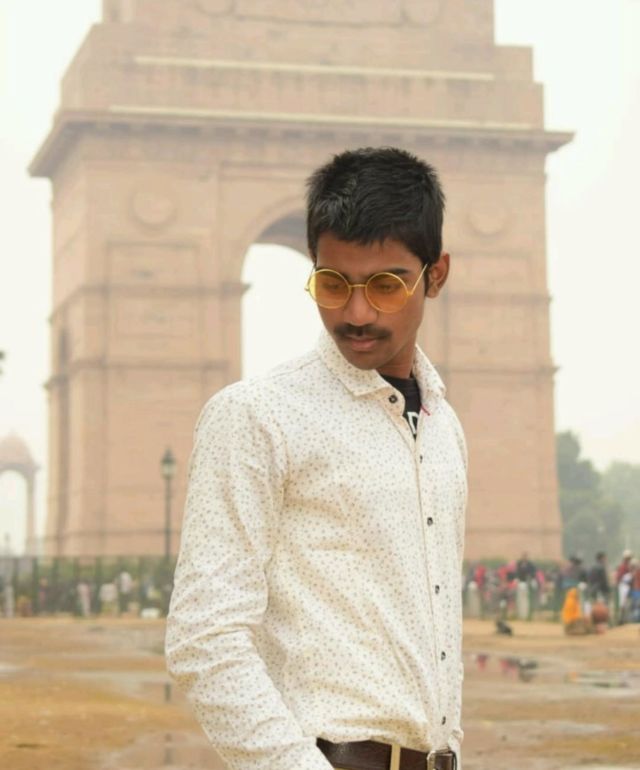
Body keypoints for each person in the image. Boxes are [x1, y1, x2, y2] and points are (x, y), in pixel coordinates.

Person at [166, 147, 468, 770]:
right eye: (333, 284)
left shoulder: (444, 426)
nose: (356, 313)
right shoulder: (256, 416)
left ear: (435, 276)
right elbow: (205, 638)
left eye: (386, 286)